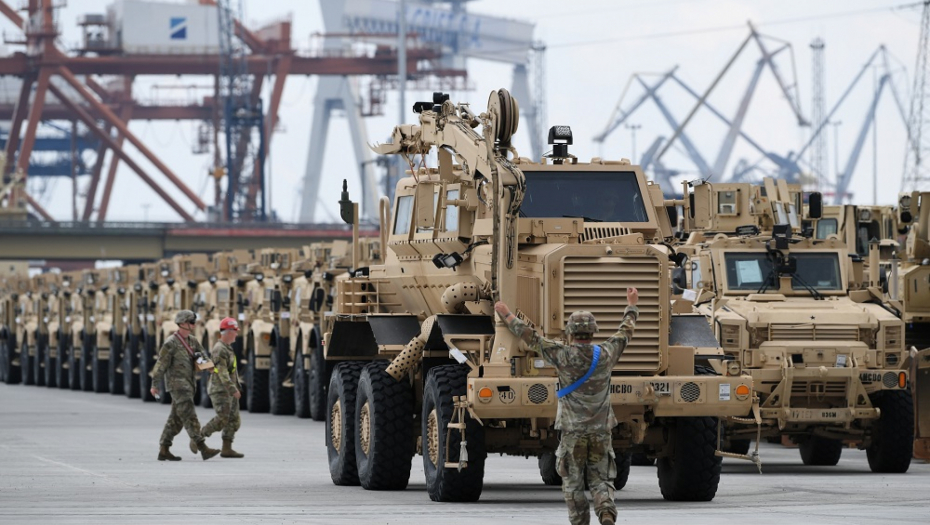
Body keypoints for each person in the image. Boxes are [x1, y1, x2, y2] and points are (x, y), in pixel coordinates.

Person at [494, 287, 639, 525]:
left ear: (570, 333)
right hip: (601, 430)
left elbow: (529, 336)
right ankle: (605, 510)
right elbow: (626, 332)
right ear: (593, 332)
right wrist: (631, 305)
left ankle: (580, 521)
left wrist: (506, 313)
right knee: (601, 478)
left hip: (573, 434)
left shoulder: (561, 354)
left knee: (572, 483)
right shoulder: (606, 354)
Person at [150, 309, 220, 461]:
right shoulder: (171, 343)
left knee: (176, 419)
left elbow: (203, 358)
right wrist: (154, 384)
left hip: (189, 384)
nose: (194, 325)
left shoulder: (193, 341)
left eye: (194, 322)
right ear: (182, 323)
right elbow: (160, 365)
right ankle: (203, 448)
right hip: (177, 386)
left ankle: (164, 449)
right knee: (189, 416)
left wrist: (213, 370)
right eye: (191, 322)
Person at [193, 317, 243, 458]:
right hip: (220, 390)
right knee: (222, 419)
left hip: (228, 389)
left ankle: (227, 448)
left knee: (234, 420)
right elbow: (222, 373)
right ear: (227, 332)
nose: (237, 334)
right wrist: (233, 389)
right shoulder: (219, 349)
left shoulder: (227, 348)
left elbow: (231, 371)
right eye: (235, 331)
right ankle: (198, 438)